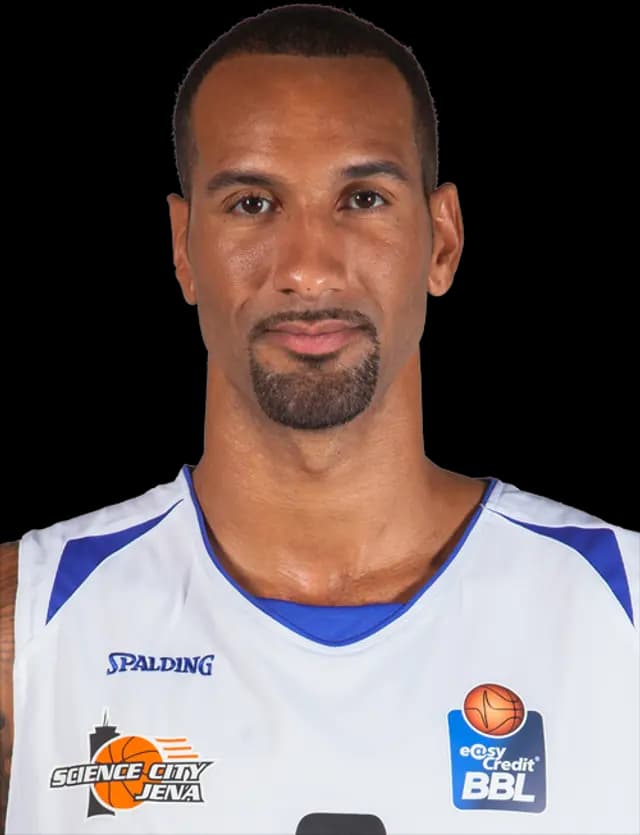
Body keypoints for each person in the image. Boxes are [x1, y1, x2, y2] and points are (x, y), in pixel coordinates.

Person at [1, 4, 638, 834]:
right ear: (183, 247)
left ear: (443, 241)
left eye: (363, 198)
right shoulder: (28, 627)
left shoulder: (620, 606)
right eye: (252, 204)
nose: (308, 268)